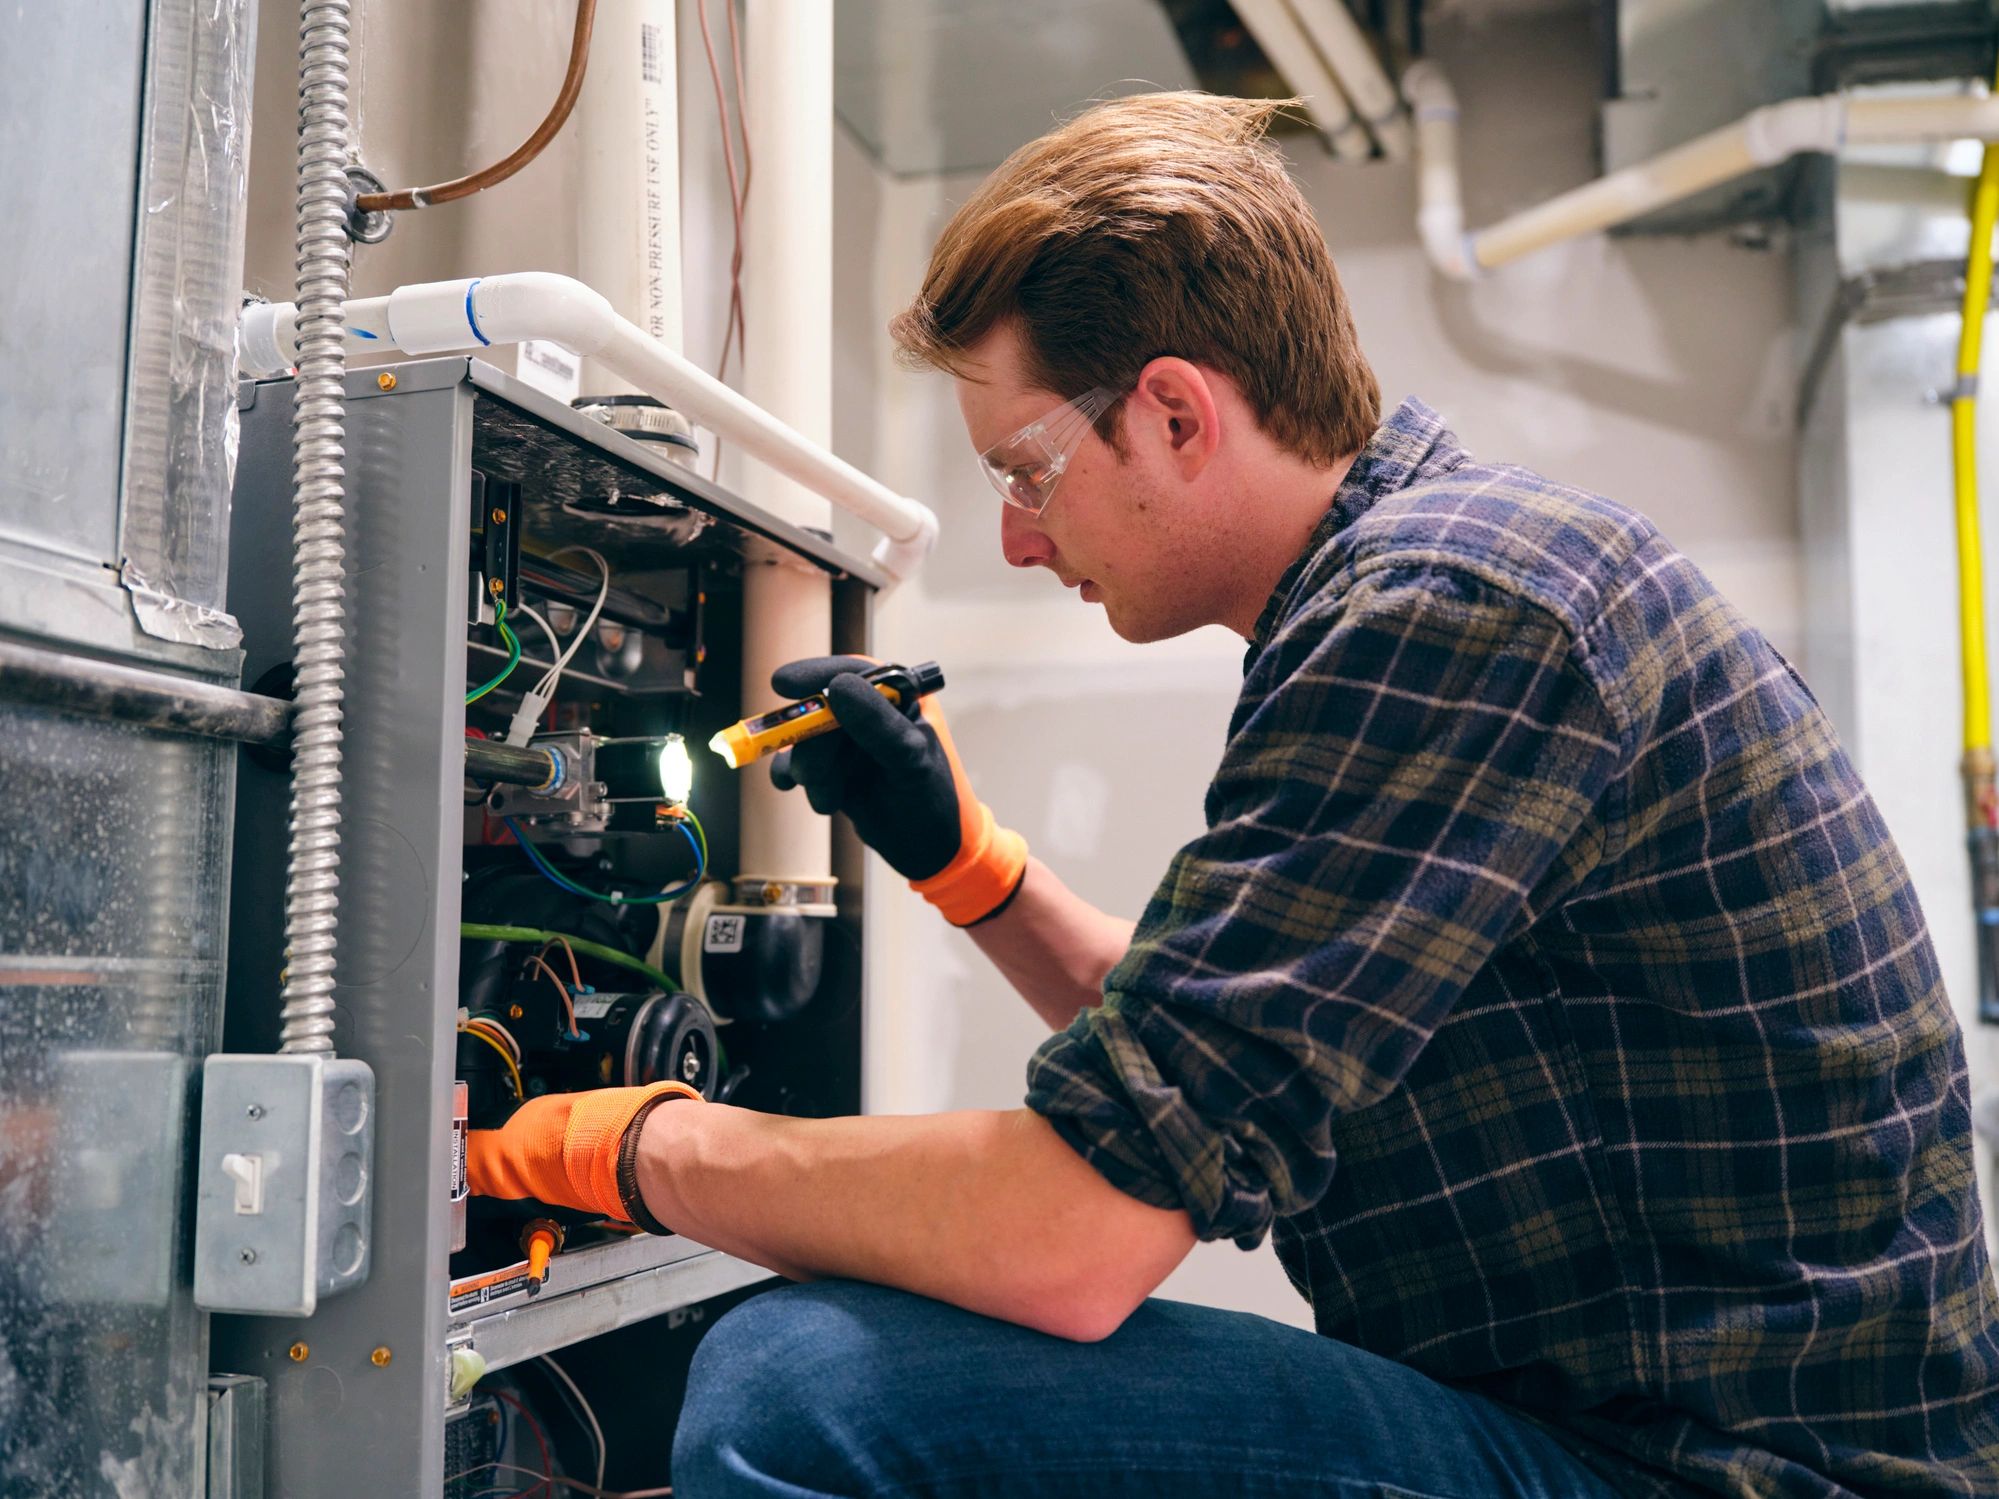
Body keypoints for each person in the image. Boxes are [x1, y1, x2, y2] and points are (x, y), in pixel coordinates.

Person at [469, 92, 1999, 1495]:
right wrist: (969, 867)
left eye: (1024, 470)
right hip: (1646, 1438)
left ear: (1178, 415)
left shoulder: (1450, 614)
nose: (1015, 537)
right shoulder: (1446, 579)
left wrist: (631, 1147)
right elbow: (1213, 1071)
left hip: (1708, 1474)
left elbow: (1073, 1235)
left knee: (800, 1384)